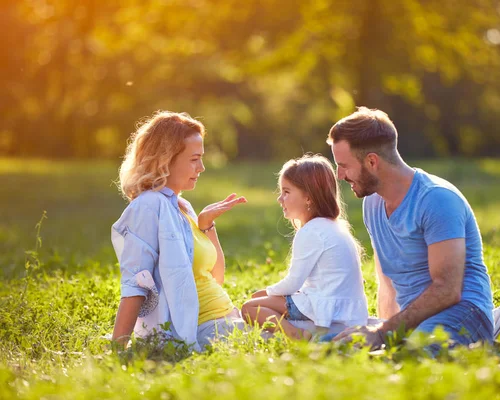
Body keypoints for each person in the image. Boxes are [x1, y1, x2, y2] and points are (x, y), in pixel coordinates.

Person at [328, 107, 500, 351]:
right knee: (346, 351)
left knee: (412, 361)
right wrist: (383, 334)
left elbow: (447, 290)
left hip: (463, 311)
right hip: (416, 321)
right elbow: (388, 282)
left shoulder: (436, 200)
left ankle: (493, 337)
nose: (339, 175)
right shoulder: (372, 204)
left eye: (343, 165)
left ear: (372, 161)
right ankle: (493, 343)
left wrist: (383, 333)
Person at [111, 111, 247, 352]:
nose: (202, 167)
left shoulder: (181, 206)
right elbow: (135, 283)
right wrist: (118, 347)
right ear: (166, 160)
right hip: (206, 328)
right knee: (301, 334)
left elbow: (216, 277)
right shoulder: (149, 206)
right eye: (194, 159)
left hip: (227, 318)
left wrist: (206, 226)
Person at [241, 155, 369, 340]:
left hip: (324, 307)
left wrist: (267, 291)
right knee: (263, 300)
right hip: (347, 310)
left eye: (286, 192)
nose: (280, 198)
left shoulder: (311, 231)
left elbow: (293, 283)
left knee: (251, 307)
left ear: (308, 198)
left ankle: (297, 336)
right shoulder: (334, 226)